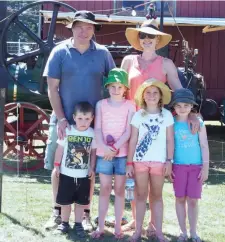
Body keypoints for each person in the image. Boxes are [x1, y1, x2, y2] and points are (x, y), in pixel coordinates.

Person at [121, 19, 200, 235]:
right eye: (143, 36)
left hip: (156, 127)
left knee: (154, 185)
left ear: (158, 40)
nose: (147, 40)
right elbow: (120, 90)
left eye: (151, 36)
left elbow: (180, 91)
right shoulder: (128, 61)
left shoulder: (166, 64)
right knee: (136, 183)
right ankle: (136, 222)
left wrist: (192, 112)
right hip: (133, 123)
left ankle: (153, 225)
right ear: (139, 40)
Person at [43, 10, 115, 231]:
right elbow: (52, 89)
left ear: (94, 29)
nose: (84, 32)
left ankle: (85, 213)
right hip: (64, 121)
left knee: (88, 170)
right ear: (71, 28)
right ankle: (57, 212)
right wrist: (63, 119)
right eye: (80, 27)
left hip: (93, 124)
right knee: (58, 168)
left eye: (89, 27)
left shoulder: (103, 54)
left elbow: (114, 86)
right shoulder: (59, 52)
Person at [126, 79, 174, 242]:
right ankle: (138, 231)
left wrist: (169, 160)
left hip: (159, 162)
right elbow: (133, 140)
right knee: (141, 195)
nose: (152, 96)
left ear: (160, 96)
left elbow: (169, 140)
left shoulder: (166, 115)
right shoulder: (138, 115)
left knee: (157, 195)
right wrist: (129, 162)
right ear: (143, 96)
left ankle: (158, 231)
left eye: (155, 93)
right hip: (140, 161)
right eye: (148, 92)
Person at [91, 68, 136, 239]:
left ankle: (118, 227)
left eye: (120, 87)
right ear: (108, 87)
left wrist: (115, 147)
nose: (116, 90)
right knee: (104, 189)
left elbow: (128, 131)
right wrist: (104, 147)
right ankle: (100, 226)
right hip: (104, 154)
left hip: (121, 154)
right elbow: (98, 128)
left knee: (119, 190)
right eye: (113, 86)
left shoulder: (130, 106)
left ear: (125, 88)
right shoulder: (101, 104)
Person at [169, 89, 209, 242]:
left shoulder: (198, 122)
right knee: (180, 198)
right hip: (178, 167)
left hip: (196, 167)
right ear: (174, 107)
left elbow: (204, 145)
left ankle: (193, 232)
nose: (182, 108)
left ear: (192, 106)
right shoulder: (171, 124)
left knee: (193, 200)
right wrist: (170, 164)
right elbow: (169, 145)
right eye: (178, 105)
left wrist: (205, 168)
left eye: (186, 105)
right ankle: (182, 231)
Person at [54, 101, 96, 238]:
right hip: (67, 173)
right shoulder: (68, 131)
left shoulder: (92, 133)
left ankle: (78, 223)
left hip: (83, 175)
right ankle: (64, 223)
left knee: (80, 202)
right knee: (66, 202)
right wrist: (57, 165)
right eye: (80, 118)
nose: (83, 122)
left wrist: (91, 167)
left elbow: (93, 153)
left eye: (87, 119)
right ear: (73, 117)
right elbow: (60, 149)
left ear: (92, 119)